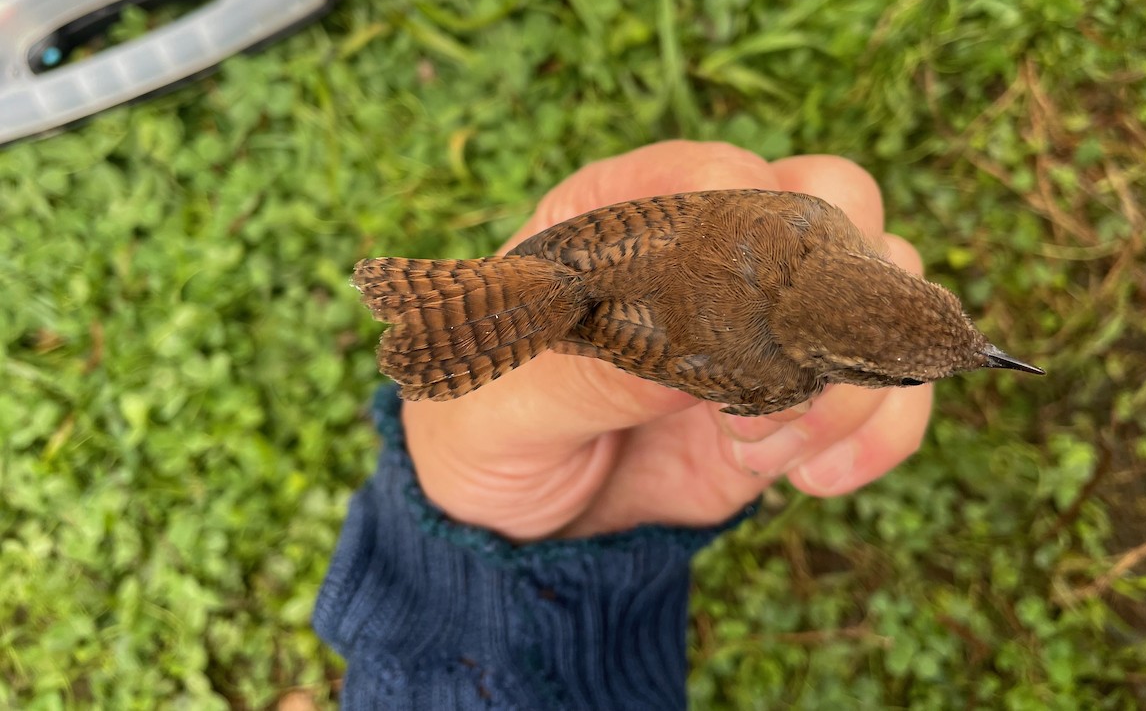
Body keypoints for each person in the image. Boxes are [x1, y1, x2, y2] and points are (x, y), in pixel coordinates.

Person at [313, 141, 933, 709]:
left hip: (588, 257)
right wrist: (572, 313)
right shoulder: (784, 381)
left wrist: (560, 286)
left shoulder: (809, 218)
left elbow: (648, 230)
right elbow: (635, 342)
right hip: (574, 303)